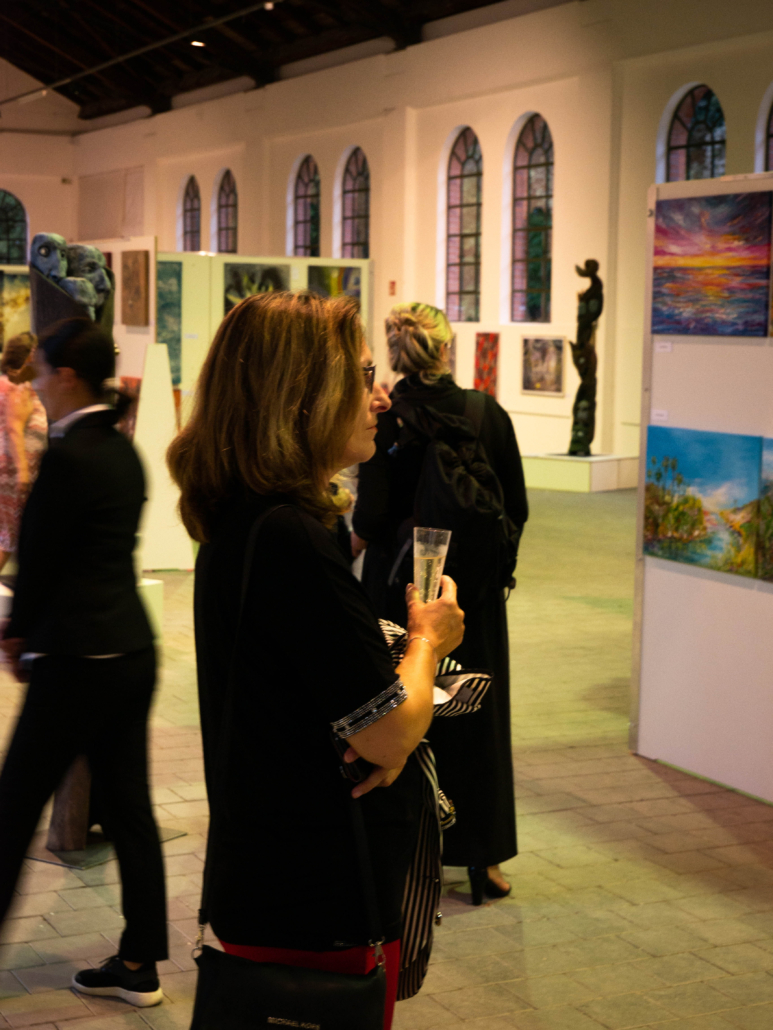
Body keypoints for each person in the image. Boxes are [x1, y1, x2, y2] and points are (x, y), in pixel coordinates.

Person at [167, 291, 464, 1030]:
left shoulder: (248, 519)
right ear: (300, 395)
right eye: (360, 376)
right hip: (313, 890)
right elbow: (388, 730)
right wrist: (427, 640)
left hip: (274, 873)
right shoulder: (289, 537)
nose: (379, 396)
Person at [0, 318, 168, 1006]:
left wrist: (17, 634)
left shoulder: (69, 456)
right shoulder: (123, 449)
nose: (35, 384)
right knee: (131, 811)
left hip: (75, 661)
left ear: (66, 376)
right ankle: (139, 963)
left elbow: (39, 557)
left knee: (13, 807)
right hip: (130, 652)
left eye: (41, 372)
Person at [352, 302, 528, 904]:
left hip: (402, 593)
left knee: (406, 714)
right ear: (447, 348)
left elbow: (373, 516)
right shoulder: (485, 412)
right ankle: (484, 859)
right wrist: (489, 573)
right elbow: (515, 505)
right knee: (479, 720)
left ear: (393, 354)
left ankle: (405, 853)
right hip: (471, 597)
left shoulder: (386, 417)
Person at [0, 332, 47, 572]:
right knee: (8, 540)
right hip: (12, 472)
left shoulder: (7, 385)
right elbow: (14, 428)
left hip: (9, 470)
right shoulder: (19, 388)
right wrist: (23, 473)